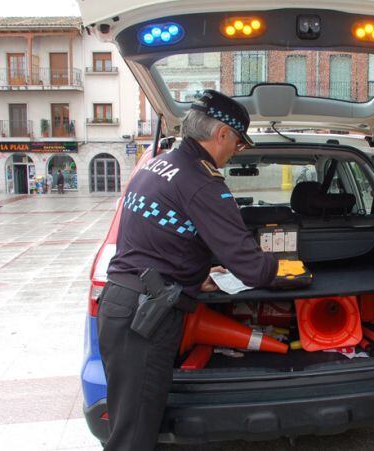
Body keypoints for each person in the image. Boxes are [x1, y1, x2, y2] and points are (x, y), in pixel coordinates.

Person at [99, 90, 278, 450]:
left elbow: (159, 240)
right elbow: (251, 267)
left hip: (124, 303)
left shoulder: (156, 165)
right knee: (132, 437)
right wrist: (285, 266)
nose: (234, 154)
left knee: (130, 425)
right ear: (222, 134)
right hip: (145, 316)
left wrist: (197, 277)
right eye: (238, 145)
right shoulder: (202, 183)